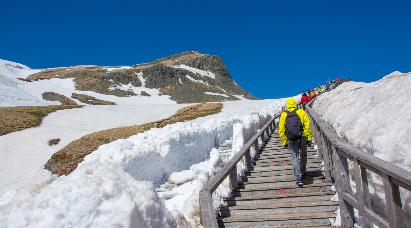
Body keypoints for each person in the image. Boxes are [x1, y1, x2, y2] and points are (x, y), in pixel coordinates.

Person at [278, 98, 313, 187]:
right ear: (295, 104)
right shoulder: (301, 112)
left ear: (287, 105)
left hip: (291, 139)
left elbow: (281, 130)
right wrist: (308, 137)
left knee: (295, 157)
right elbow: (307, 124)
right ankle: (303, 171)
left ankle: (299, 178)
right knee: (303, 154)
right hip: (302, 137)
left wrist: (284, 141)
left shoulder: (284, 115)